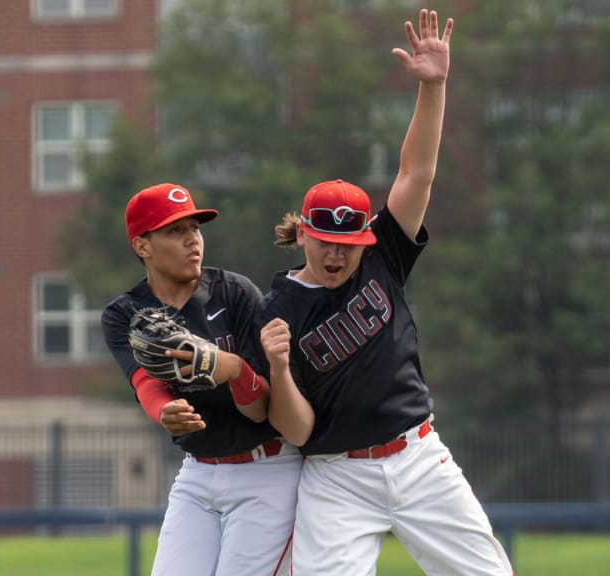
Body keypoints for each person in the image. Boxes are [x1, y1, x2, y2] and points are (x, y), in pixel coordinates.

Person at [258, 9, 513, 576]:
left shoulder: (383, 258)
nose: (336, 254)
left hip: (418, 455)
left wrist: (434, 86)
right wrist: (277, 369)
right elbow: (296, 430)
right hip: (337, 475)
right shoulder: (277, 312)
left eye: (348, 243)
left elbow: (415, 172)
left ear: (365, 238)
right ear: (302, 232)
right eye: (324, 240)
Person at [102, 183, 301, 576]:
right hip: (199, 471)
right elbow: (146, 383)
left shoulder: (235, 293)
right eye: (175, 231)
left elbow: (262, 410)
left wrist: (231, 368)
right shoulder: (125, 313)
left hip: (266, 471)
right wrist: (164, 411)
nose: (193, 240)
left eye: (195, 228)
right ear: (142, 246)